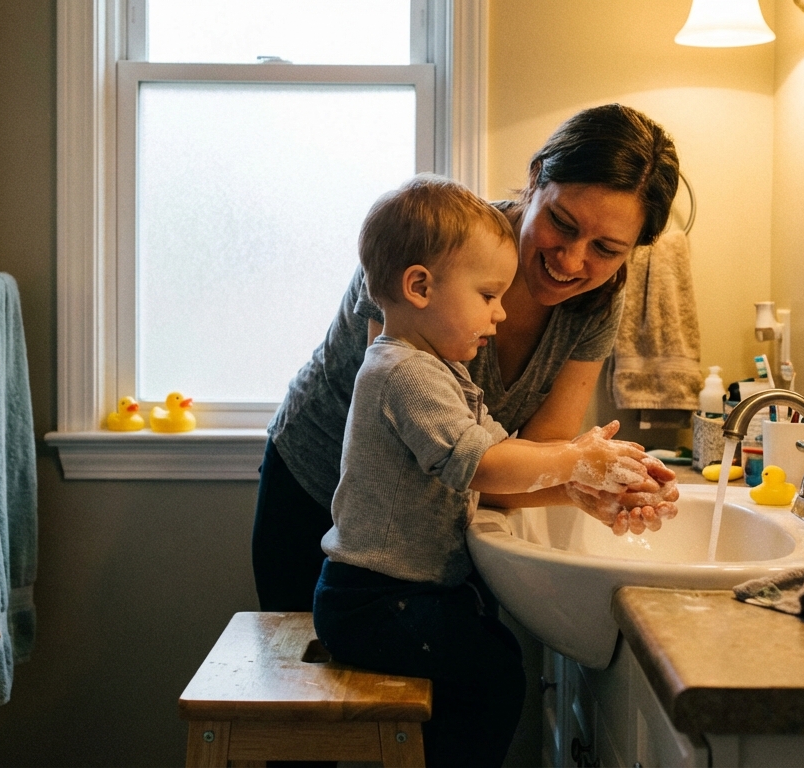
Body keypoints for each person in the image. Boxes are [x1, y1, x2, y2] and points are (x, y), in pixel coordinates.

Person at [256, 103, 683, 613]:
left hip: (436, 520)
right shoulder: (430, 248)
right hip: (317, 487)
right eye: (562, 223)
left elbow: (536, 458)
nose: (572, 260)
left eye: (607, 248)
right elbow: (419, 443)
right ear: (534, 181)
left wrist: (583, 487)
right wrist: (573, 470)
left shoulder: (598, 301)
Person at [313, 175, 657, 767]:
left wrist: (582, 489)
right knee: (493, 676)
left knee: (489, 666)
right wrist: (578, 459)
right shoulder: (403, 371)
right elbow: (483, 464)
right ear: (419, 287)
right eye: (488, 296)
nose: (501, 314)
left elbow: (507, 460)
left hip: (400, 594)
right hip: (376, 598)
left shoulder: (443, 372)